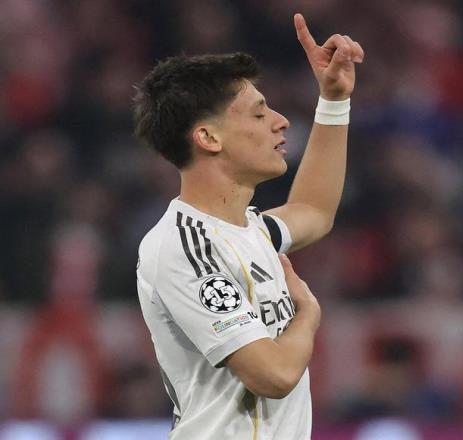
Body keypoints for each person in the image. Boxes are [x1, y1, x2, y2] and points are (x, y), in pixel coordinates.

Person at [134, 13, 363, 440]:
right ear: (209, 138)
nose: (281, 121)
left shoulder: (252, 232)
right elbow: (273, 375)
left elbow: (314, 209)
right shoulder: (184, 247)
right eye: (259, 115)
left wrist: (334, 100)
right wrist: (307, 318)